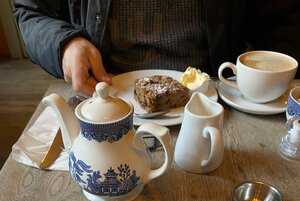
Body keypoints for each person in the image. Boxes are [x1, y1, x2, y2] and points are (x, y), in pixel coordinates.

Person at [14, 1, 300, 96]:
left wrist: (269, 78)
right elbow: (30, 11)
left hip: (217, 96)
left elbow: (284, 21)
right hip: (103, 93)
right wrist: (66, 44)